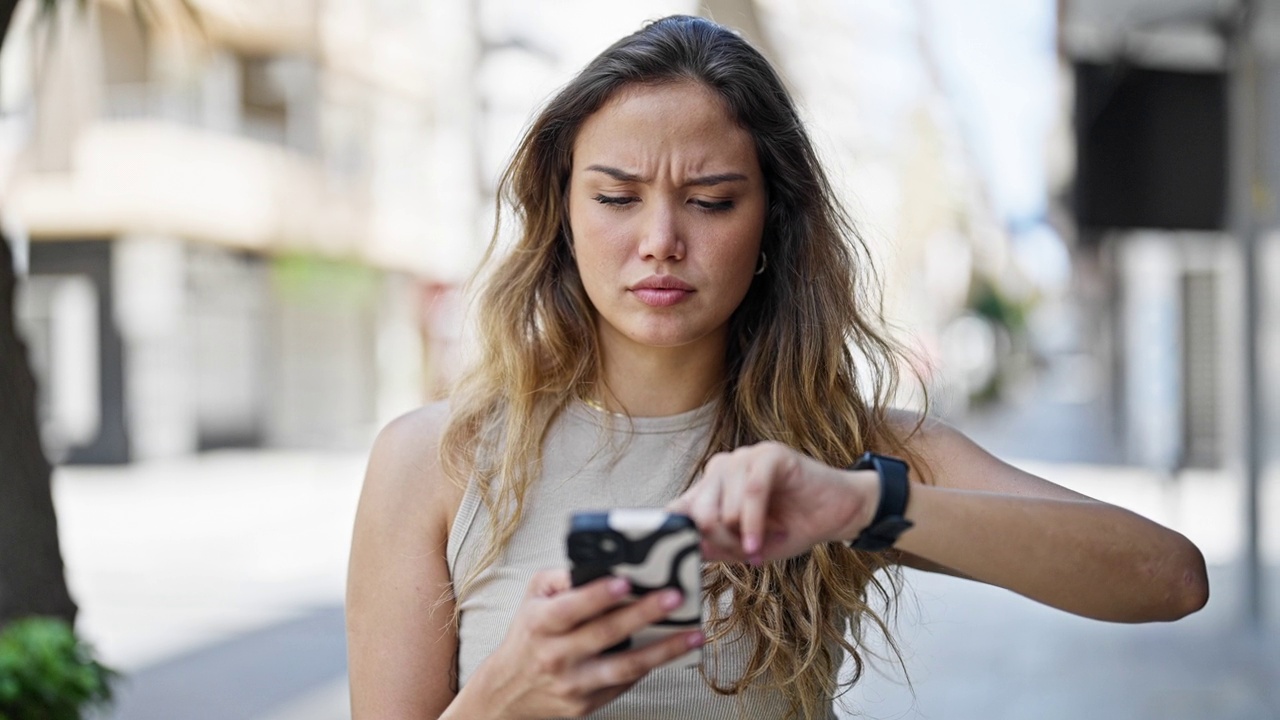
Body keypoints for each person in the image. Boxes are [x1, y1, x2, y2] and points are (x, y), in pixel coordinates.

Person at [345, 14, 1209, 720]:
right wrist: (506, 699)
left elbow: (1169, 577)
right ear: (563, 215)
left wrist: (862, 503)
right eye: (615, 197)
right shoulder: (434, 460)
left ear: (772, 224)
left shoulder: (841, 447)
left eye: (711, 200)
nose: (659, 243)